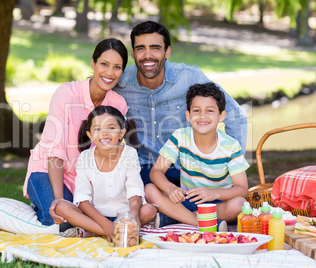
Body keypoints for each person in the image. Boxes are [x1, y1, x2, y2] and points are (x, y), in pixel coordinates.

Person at [114, 21, 247, 186]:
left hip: (191, 170)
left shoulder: (189, 78)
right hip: (145, 168)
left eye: (155, 47)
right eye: (141, 48)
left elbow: (235, 116)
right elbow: (93, 97)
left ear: (167, 51)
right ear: (133, 53)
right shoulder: (120, 83)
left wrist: (232, 169)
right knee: (146, 198)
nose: (147, 55)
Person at [23, 38, 130, 229]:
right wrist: (59, 199)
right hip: (47, 171)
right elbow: (54, 151)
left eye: (117, 67)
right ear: (93, 63)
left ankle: (98, 225)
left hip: (83, 180)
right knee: (58, 221)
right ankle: (42, 204)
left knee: (87, 218)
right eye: (104, 64)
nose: (109, 73)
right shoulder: (66, 94)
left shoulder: (118, 104)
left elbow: (110, 152)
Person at [145, 82, 249, 228]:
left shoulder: (230, 146)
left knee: (239, 204)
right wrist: (171, 189)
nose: (202, 116)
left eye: (210, 111)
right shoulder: (180, 137)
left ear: (221, 115)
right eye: (196, 111)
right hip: (187, 201)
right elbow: (156, 172)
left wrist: (213, 194)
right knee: (149, 190)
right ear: (188, 115)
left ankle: (177, 218)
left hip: (218, 204)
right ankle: (199, 222)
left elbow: (242, 189)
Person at [55, 106, 157, 241]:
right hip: (96, 217)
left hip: (124, 215)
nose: (104, 133)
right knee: (61, 207)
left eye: (111, 128)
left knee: (149, 210)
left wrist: (133, 214)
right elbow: (82, 198)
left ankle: (97, 232)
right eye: (97, 129)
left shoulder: (129, 153)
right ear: (90, 135)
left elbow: (135, 189)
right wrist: (106, 224)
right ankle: (112, 231)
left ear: (121, 133)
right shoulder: (85, 157)